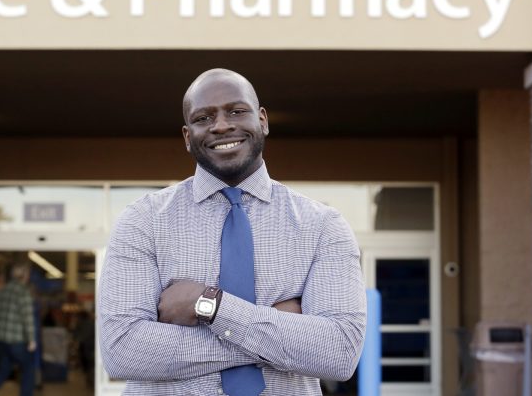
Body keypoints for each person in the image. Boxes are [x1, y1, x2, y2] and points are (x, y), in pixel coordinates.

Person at [98, 68, 366, 395]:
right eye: (203, 117)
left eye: (237, 111)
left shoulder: (322, 226)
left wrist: (209, 305)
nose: (222, 125)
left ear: (263, 121)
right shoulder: (143, 222)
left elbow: (339, 353)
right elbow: (122, 350)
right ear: (187, 136)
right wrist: (275, 329)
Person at [0, 264, 37, 396]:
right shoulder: (23, 292)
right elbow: (28, 318)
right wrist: (31, 340)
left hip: (2, 340)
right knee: (29, 369)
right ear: (24, 275)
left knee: (4, 370)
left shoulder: (3, 291)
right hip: (17, 341)